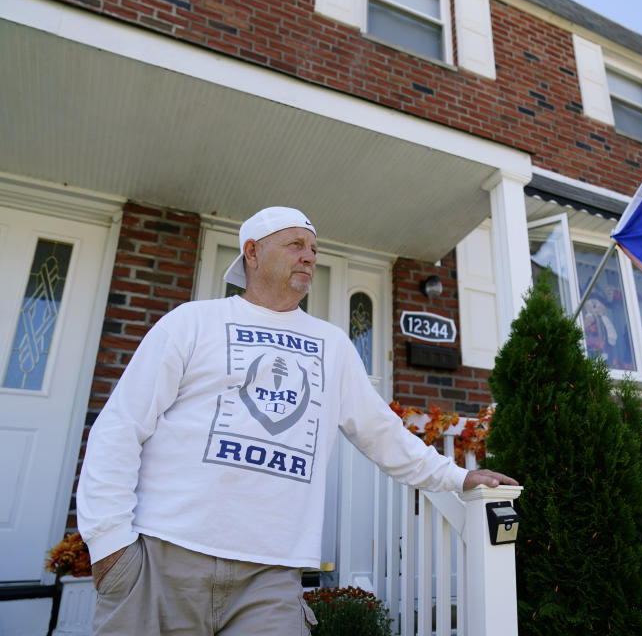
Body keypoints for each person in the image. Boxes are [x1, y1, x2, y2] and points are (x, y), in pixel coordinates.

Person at [78, 206, 517, 635]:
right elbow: (120, 427)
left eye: (313, 247)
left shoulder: (332, 345)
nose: (309, 255)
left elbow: (381, 433)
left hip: (270, 577)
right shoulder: (193, 323)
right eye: (294, 244)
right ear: (251, 251)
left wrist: (457, 477)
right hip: (165, 558)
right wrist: (109, 544)